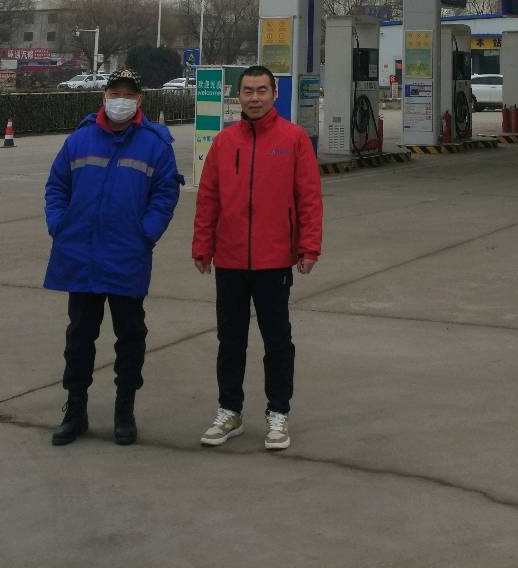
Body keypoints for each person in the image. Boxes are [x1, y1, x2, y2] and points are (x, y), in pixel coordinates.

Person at [44, 67, 181, 447]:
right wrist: (59, 224)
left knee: (130, 334)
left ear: (140, 100)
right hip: (81, 254)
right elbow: (56, 187)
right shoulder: (80, 139)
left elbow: (165, 194)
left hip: (126, 255)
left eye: (129, 94)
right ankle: (75, 410)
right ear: (104, 97)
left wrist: (146, 233)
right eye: (115, 93)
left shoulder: (155, 144)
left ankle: (124, 410)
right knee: (79, 335)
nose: (121, 100)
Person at [192, 64, 322, 452]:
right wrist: (202, 245)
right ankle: (229, 411)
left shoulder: (294, 139)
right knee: (230, 340)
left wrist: (309, 246)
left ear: (274, 94)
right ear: (238, 96)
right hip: (230, 259)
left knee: (277, 340)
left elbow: (308, 197)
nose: (254, 98)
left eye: (262, 90)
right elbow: (208, 197)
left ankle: (278, 413)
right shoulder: (224, 142)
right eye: (247, 91)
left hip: (274, 260)